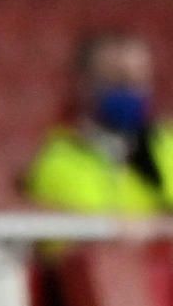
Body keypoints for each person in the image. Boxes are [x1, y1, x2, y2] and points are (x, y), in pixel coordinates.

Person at [27, 31, 170, 213]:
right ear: (83, 84)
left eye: (138, 80)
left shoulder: (167, 149)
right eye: (117, 80)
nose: (130, 90)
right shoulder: (56, 161)